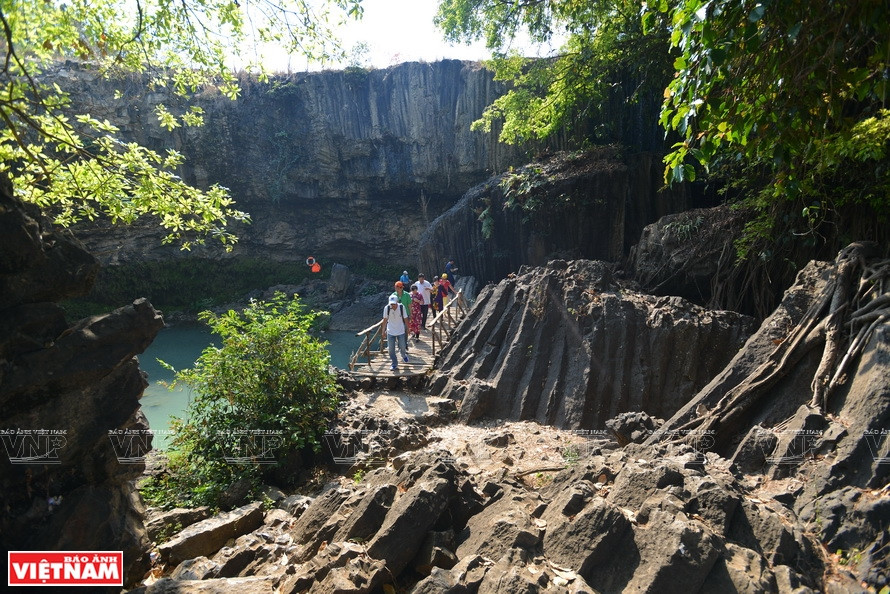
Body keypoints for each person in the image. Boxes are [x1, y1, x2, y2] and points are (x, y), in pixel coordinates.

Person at [382, 294, 409, 371]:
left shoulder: (401, 307)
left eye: (394, 304)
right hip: (390, 331)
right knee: (391, 349)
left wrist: (408, 328)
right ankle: (394, 363)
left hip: (400, 330)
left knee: (403, 346)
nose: (392, 305)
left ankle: (403, 355)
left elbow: (405, 318)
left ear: (397, 302)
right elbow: (385, 320)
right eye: (391, 304)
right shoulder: (387, 308)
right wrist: (383, 331)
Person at [392, 281, 412, 351]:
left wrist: (411, 314)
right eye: (396, 287)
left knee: (406, 329)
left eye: (398, 287)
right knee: (398, 330)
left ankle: (405, 343)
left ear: (401, 288)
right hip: (397, 316)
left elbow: (409, 305)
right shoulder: (393, 295)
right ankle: (400, 344)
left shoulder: (406, 295)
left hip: (405, 315)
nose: (397, 289)